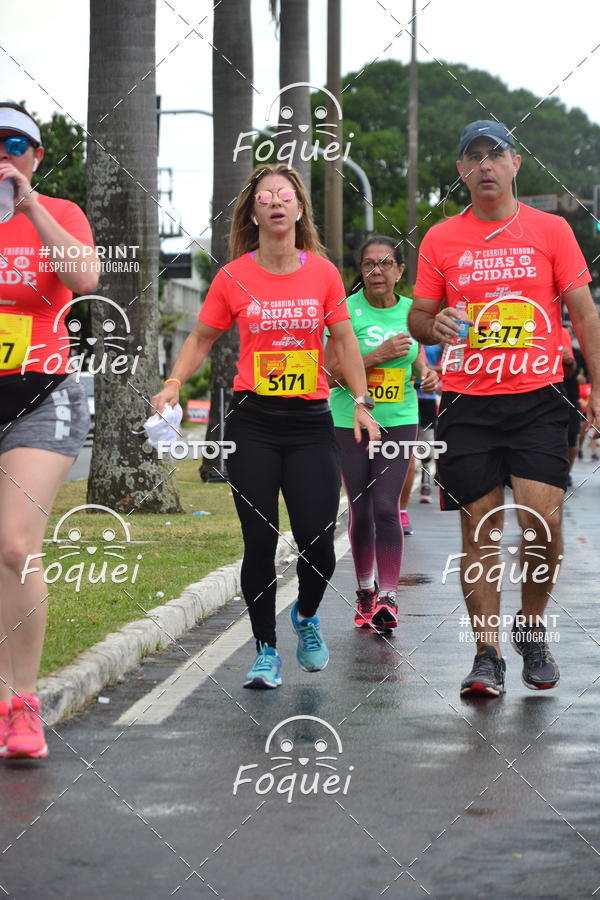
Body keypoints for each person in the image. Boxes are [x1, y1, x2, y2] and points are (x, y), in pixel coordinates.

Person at [151, 164, 378, 689]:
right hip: (254, 422)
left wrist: (361, 403)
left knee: (318, 543)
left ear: (299, 209)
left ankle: (305, 617)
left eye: (285, 195)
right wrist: (173, 382)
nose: (276, 202)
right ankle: (266, 650)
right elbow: (201, 338)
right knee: (259, 541)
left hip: (310, 423)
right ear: (254, 213)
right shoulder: (234, 276)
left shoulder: (322, 273)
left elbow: (343, 343)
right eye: (265, 197)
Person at [409, 119, 600, 697]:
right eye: (474, 156)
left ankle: (532, 626)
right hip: (467, 401)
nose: (486, 165)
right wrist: (431, 322)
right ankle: (487, 653)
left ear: (516, 165)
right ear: (462, 170)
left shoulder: (552, 231)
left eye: (497, 154)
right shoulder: (441, 239)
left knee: (544, 519)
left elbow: (585, 314)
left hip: (538, 398)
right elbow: (418, 315)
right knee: (480, 528)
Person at [0, 102, 98, 757]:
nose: (4, 153)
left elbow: (85, 279)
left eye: (16, 143)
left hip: (41, 393)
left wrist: (29, 207)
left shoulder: (59, 213)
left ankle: (23, 703)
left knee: (13, 544)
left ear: (36, 155)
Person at [324, 236, 438, 631]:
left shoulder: (412, 313)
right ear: (361, 270)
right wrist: (375, 357)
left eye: (386, 263)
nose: (377, 271)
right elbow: (328, 374)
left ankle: (388, 596)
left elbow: (419, 363)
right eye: (369, 264)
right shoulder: (345, 312)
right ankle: (364, 593)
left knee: (386, 505)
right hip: (349, 418)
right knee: (361, 508)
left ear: (400, 271)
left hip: (399, 418)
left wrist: (427, 376)